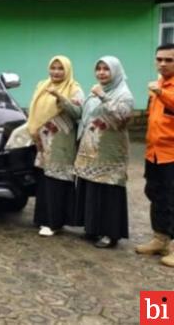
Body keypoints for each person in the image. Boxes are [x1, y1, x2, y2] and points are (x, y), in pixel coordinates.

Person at [64, 56, 134, 249]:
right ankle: (92, 227)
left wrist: (103, 96)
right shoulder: (95, 92)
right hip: (90, 149)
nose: (101, 73)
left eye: (106, 69)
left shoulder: (123, 94)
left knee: (108, 189)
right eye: (99, 69)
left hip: (109, 152)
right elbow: (86, 117)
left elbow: (122, 117)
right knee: (91, 188)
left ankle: (110, 234)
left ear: (116, 72)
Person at [25, 56, 84, 237]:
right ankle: (42, 218)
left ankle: (54, 222)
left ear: (67, 70)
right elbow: (34, 108)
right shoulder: (43, 85)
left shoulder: (74, 88)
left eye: (60, 68)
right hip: (42, 140)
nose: (56, 72)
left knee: (57, 181)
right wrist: (32, 128)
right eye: (53, 68)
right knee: (43, 180)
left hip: (61, 142)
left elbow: (78, 112)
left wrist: (61, 98)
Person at [135, 43, 174, 267]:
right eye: (159, 59)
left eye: (168, 60)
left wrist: (161, 92)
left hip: (172, 154)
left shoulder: (163, 88)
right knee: (155, 194)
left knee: (172, 199)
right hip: (154, 153)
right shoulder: (158, 85)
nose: (163, 63)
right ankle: (161, 239)